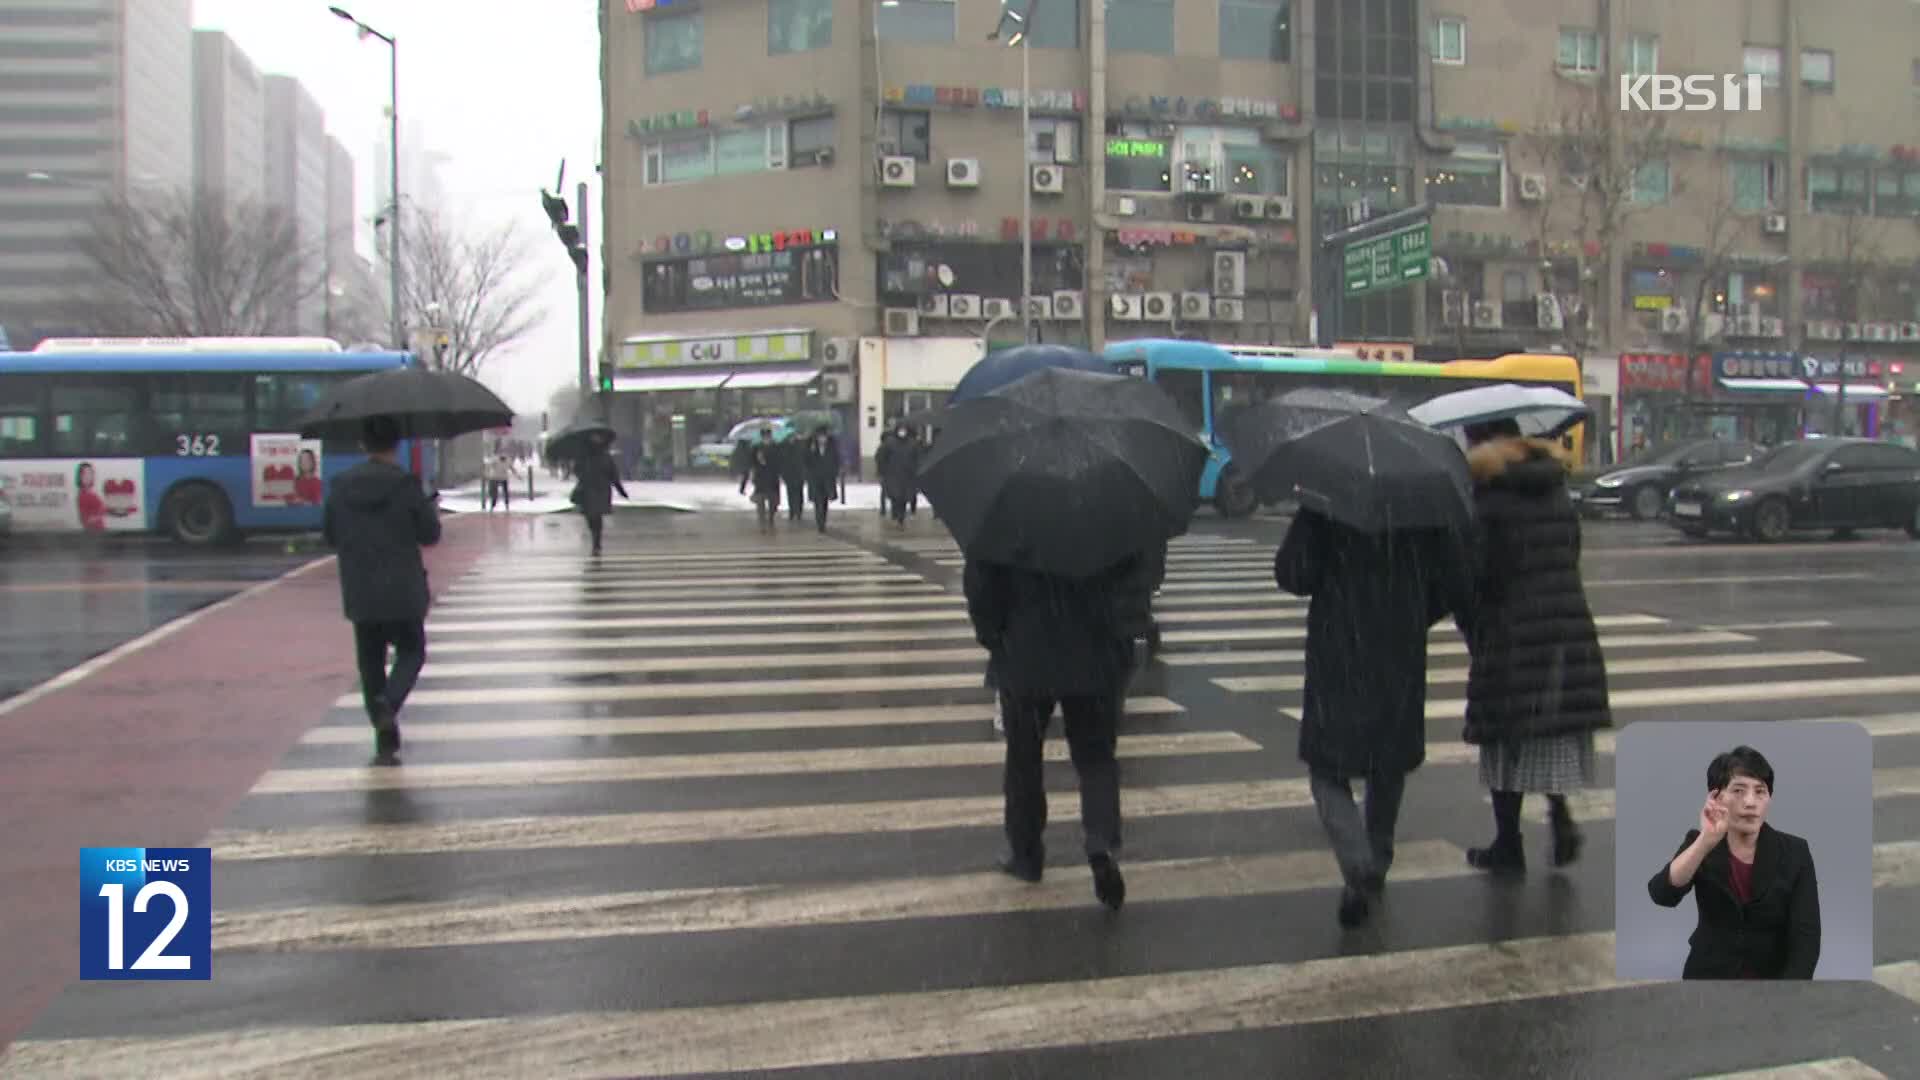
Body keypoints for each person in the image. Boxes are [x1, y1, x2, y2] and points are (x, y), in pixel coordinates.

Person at [1275, 507, 1475, 928]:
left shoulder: (1328, 502)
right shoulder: (1420, 506)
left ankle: (1356, 860)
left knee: (1327, 768)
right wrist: (1413, 611)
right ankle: (1377, 858)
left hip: (1338, 648)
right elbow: (1455, 581)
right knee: (1388, 759)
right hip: (1398, 649)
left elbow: (1293, 574)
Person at [1459, 418, 1612, 875]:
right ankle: (1560, 818)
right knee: (1546, 727)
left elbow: (1478, 573)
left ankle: (1509, 844)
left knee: (1505, 736)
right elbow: (1569, 552)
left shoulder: (1488, 499)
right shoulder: (1555, 491)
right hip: (1565, 624)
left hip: (1511, 628)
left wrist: (1470, 616)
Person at [964, 549, 1138, 911]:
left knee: (1024, 757)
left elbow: (981, 586)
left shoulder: (1009, 511)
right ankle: (1100, 841)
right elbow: (1139, 579)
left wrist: (994, 636)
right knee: (1096, 758)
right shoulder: (1109, 508)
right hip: (1095, 651)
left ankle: (1026, 854)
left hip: (1025, 651)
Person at [322, 416, 441, 763]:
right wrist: (427, 507)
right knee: (411, 652)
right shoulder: (406, 485)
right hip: (402, 588)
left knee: (370, 661)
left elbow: (330, 535)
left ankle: (382, 729)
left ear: (364, 445)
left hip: (361, 587)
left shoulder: (341, 486)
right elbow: (430, 535)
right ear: (396, 445)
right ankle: (388, 704)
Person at [1647, 745, 1820, 979]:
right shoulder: (1700, 844)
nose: (1750, 802)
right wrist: (1705, 841)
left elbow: (1806, 938)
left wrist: (1787, 996)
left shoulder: (1795, 851)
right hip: (1708, 978)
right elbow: (1662, 894)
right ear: (1716, 797)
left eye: (1760, 791)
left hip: (1772, 982)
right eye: (1738, 791)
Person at [571, 432, 629, 555]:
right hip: (590, 489)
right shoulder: (585, 455)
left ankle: (596, 542)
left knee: (595, 516)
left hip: (598, 490)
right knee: (592, 517)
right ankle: (596, 539)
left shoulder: (604, 456)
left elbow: (613, 474)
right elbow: (576, 470)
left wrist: (621, 490)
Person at [876, 423, 918, 528]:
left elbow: (917, 457)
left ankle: (901, 517)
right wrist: (883, 470)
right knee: (895, 496)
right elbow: (881, 457)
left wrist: (915, 469)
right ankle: (896, 514)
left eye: (904, 430)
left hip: (907, 475)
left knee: (903, 498)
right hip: (892, 475)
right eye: (900, 430)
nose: (902, 432)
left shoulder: (912, 444)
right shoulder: (889, 443)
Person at [802, 424, 840, 532]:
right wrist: (811, 450)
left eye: (824, 437)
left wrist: (835, 473)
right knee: (817, 500)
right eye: (820, 437)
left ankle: (823, 519)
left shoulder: (832, 446)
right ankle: (820, 523)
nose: (822, 439)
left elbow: (835, 460)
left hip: (827, 478)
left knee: (825, 501)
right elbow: (806, 460)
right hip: (815, 478)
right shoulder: (811, 446)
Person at [744, 427, 782, 531]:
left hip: (773, 477)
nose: (766, 439)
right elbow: (751, 462)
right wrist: (757, 463)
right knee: (760, 501)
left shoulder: (776, 447)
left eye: (768, 437)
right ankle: (762, 521)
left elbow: (780, 461)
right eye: (764, 437)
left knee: (773, 501)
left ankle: (771, 517)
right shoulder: (756, 447)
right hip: (760, 478)